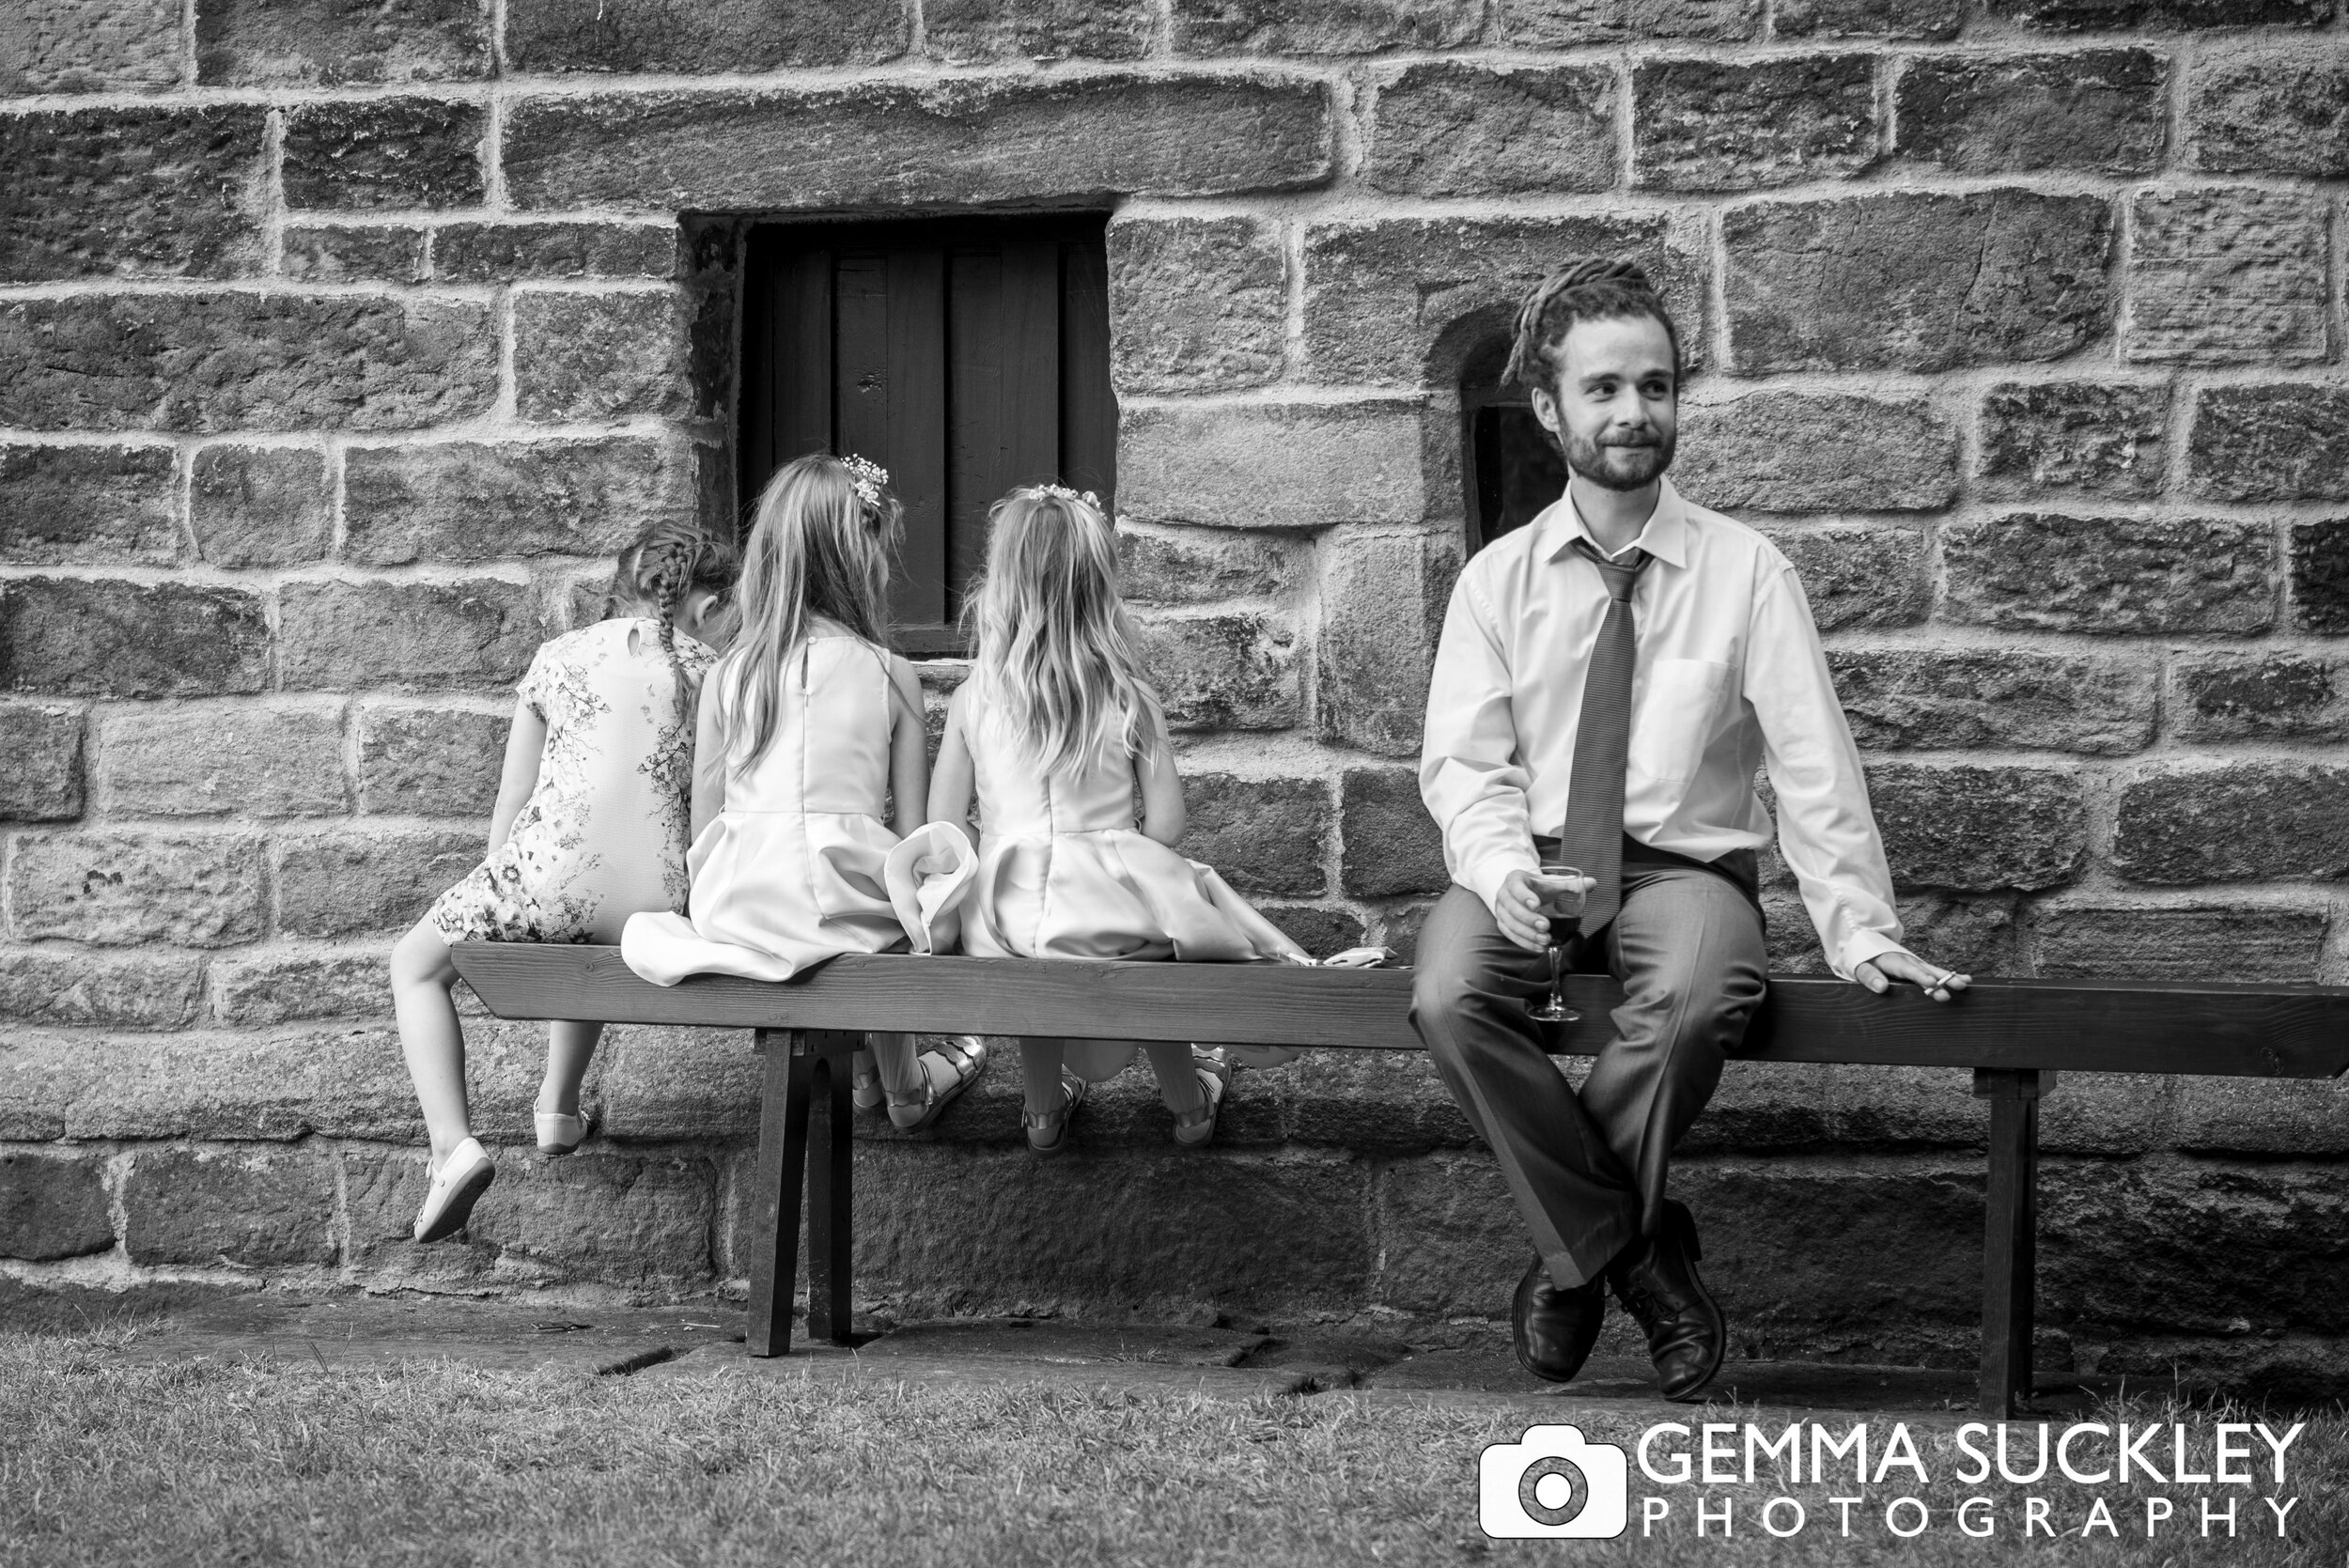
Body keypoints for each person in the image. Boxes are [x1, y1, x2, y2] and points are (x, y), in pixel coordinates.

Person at [1411, 258, 1972, 1401]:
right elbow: (1464, 764)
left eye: (1656, 386)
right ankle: (1640, 1247)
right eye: (1605, 388)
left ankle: (1576, 1257)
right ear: (1549, 407)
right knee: (1446, 993)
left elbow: (1812, 761)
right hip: (1529, 867)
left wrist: (1855, 928)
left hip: (1682, 871)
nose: (1633, 412)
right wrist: (1498, 866)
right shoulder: (1496, 582)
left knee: (1711, 987)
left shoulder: (1746, 571)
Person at [928, 485, 1312, 1155]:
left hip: (1001, 922)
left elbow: (941, 829)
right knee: (1158, 930)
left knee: (1034, 950)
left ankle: (1042, 1113)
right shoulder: (1130, 697)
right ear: (1097, 583)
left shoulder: (972, 700)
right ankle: (1189, 1104)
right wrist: (1114, 854)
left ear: (1002, 582)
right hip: (1105, 918)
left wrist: (1002, 853)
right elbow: (1166, 824)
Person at [394, 519, 737, 1244]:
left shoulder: (557, 657)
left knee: (415, 964)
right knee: (593, 909)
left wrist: (496, 887)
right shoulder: (714, 673)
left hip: (551, 881)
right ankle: (556, 1104)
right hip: (659, 899)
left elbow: (514, 796)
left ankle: (452, 1145)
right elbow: (710, 807)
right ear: (705, 607)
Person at [620, 454, 987, 1132]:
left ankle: (881, 1079)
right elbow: (910, 838)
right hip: (842, 901)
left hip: (738, 903)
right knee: (911, 908)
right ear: (857, 557)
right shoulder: (889, 673)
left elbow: (705, 824)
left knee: (853, 910)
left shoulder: (729, 675)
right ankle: (905, 1083)